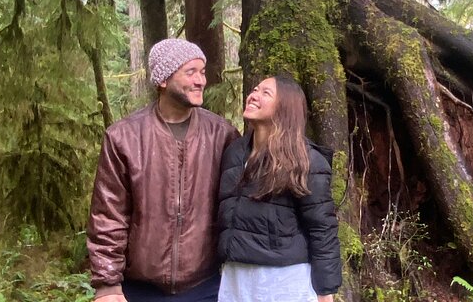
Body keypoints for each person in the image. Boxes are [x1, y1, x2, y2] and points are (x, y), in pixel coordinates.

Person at [87, 38, 240, 302]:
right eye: (190, 72)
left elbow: (238, 207)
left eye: (202, 72)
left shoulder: (222, 135)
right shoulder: (124, 137)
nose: (201, 81)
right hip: (139, 289)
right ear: (163, 80)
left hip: (207, 286)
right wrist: (107, 285)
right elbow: (108, 215)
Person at [216, 75, 342, 302]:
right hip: (235, 278)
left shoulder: (306, 160)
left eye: (266, 93)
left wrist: (325, 291)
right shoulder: (234, 153)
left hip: (284, 281)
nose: (253, 96)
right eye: (255, 90)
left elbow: (322, 229)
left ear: (285, 108)